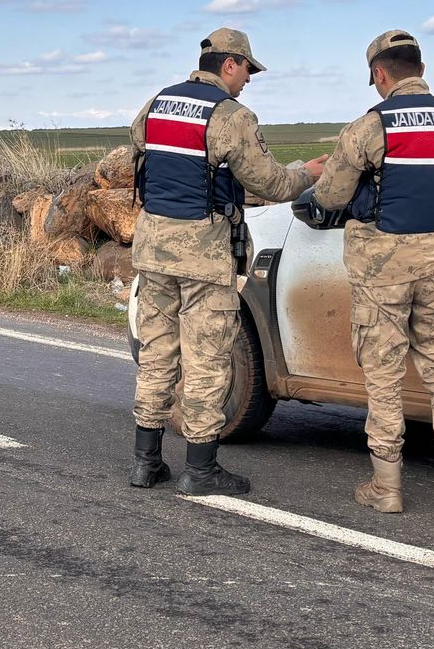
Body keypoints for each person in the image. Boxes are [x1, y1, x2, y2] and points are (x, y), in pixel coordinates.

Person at [128, 28, 323, 496]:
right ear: (230, 63)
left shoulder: (157, 103)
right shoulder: (232, 116)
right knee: (207, 359)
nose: (249, 81)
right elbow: (271, 183)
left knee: (156, 356)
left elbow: (142, 154)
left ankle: (146, 463)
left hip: (152, 248)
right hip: (203, 254)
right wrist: (308, 174)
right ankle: (200, 469)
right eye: (248, 71)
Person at [310, 29, 434, 515]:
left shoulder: (369, 127)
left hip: (381, 268)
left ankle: (386, 487)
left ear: (379, 74)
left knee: (384, 374)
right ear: (422, 70)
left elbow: (329, 197)